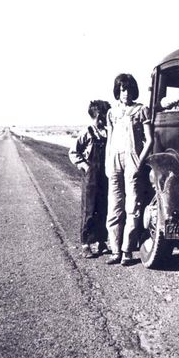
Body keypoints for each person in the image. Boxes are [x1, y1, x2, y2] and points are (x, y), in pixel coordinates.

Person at [105, 73, 153, 266]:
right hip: (114, 160)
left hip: (132, 159)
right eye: (122, 89)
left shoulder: (141, 110)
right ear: (118, 91)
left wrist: (139, 163)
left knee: (132, 207)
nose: (125, 93)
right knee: (114, 207)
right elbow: (110, 140)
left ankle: (127, 251)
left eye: (129, 89)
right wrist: (109, 162)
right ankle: (115, 251)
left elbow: (150, 140)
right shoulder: (111, 113)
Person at [69, 100, 110, 259]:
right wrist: (85, 166)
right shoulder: (86, 133)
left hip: (105, 175)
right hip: (91, 176)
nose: (104, 120)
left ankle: (101, 241)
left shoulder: (107, 133)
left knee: (103, 207)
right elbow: (73, 152)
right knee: (89, 209)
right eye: (102, 116)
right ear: (96, 116)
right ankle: (86, 243)